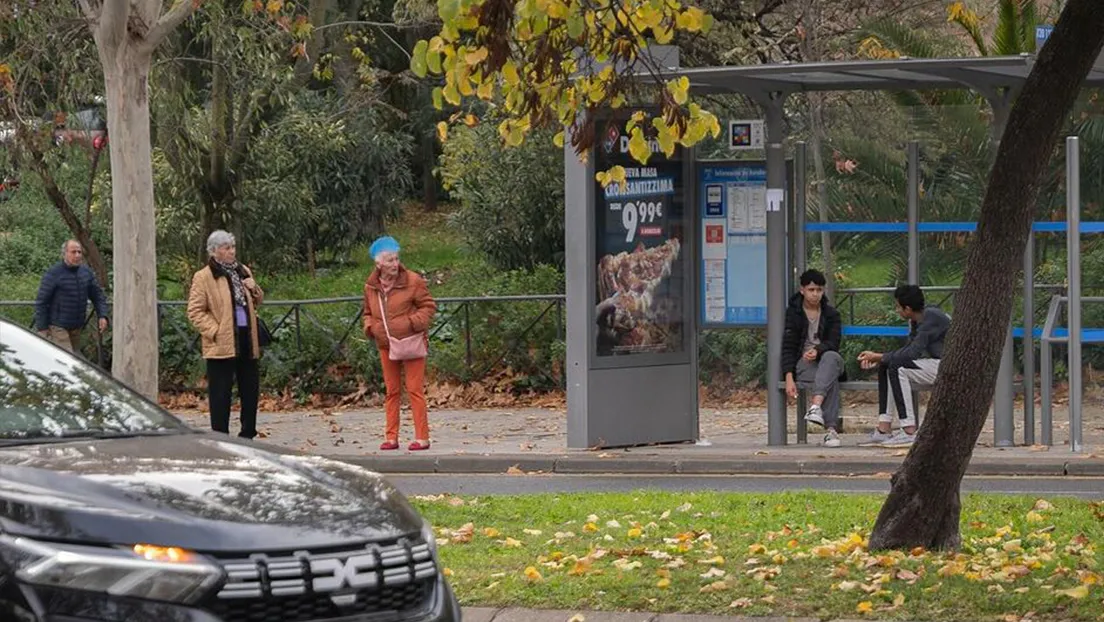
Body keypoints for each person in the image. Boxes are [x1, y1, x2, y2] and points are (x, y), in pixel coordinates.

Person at [186, 230, 265, 440]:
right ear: (214, 252)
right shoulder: (203, 277)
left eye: (233, 247)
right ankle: (220, 437)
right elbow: (195, 311)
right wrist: (215, 331)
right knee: (220, 394)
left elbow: (257, 299)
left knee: (250, 390)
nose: (232, 252)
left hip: (247, 340)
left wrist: (254, 287)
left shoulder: (242, 270)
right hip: (221, 345)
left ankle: (247, 434)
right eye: (226, 248)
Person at [363, 236, 437, 451]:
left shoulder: (413, 280)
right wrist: (371, 328)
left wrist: (412, 323)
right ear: (378, 264)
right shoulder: (371, 286)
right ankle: (391, 437)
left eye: (396, 259)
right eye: (389, 261)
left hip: (411, 342)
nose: (394, 264)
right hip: (386, 343)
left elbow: (428, 306)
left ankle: (422, 437)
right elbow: (367, 311)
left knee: (414, 389)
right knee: (392, 391)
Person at [858, 284, 951, 448]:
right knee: (887, 365)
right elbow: (908, 349)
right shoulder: (920, 317)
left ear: (907, 308)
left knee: (898, 367)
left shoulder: (931, 318)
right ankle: (883, 429)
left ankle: (909, 431)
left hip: (949, 366)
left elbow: (912, 354)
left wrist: (879, 356)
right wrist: (880, 359)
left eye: (898, 307)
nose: (897, 310)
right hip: (938, 363)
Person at [781, 269, 845, 448]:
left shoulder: (831, 314)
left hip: (829, 359)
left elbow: (834, 342)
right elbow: (788, 346)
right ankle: (831, 431)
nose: (815, 294)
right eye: (811, 290)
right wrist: (788, 376)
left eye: (819, 290)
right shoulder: (793, 314)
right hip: (805, 364)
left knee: (830, 360)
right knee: (828, 379)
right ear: (802, 290)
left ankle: (815, 406)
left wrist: (818, 350)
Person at [34, 239, 109, 353]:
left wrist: (102, 315)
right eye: (73, 252)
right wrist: (42, 327)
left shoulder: (86, 272)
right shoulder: (54, 273)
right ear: (65, 254)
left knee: (74, 360)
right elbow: (41, 302)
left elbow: (97, 295)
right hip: (57, 326)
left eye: (79, 252)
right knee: (66, 359)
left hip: (77, 326)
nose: (77, 255)